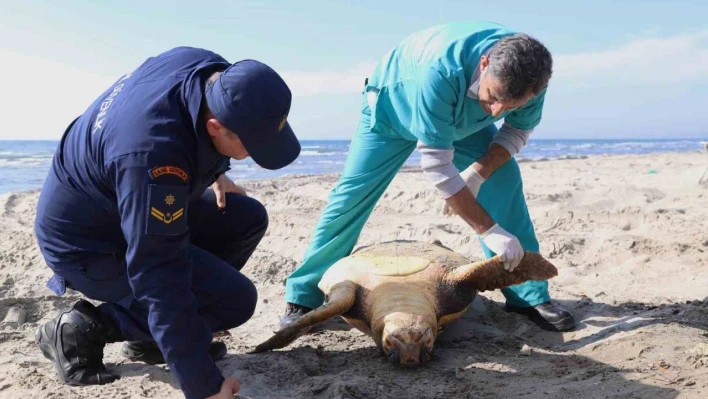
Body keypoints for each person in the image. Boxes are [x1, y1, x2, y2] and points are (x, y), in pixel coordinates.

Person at [33, 46, 300, 399]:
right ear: (215, 126)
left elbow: (188, 132)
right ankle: (82, 328)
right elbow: (158, 272)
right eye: (253, 146)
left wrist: (216, 170)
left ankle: (150, 340)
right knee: (234, 301)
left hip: (122, 199)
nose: (254, 153)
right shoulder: (153, 157)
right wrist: (204, 386)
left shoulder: (204, 70)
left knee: (243, 217)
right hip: (87, 243)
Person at [282, 22, 576, 333]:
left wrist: (478, 172)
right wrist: (489, 229)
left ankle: (527, 296)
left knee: (503, 179)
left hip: (459, 120)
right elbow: (437, 166)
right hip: (394, 109)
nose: (495, 111)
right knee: (351, 196)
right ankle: (304, 295)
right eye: (492, 96)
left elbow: (516, 131)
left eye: (510, 105)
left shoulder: (531, 79)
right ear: (484, 63)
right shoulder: (439, 71)